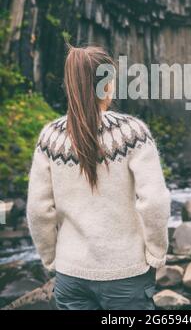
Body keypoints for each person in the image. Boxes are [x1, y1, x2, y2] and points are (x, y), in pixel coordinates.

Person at [26, 45, 171, 310]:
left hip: (71, 276)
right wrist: (156, 254)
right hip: (127, 274)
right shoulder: (132, 133)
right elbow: (154, 202)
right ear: (107, 84)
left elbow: (38, 210)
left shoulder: (50, 138)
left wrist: (52, 259)